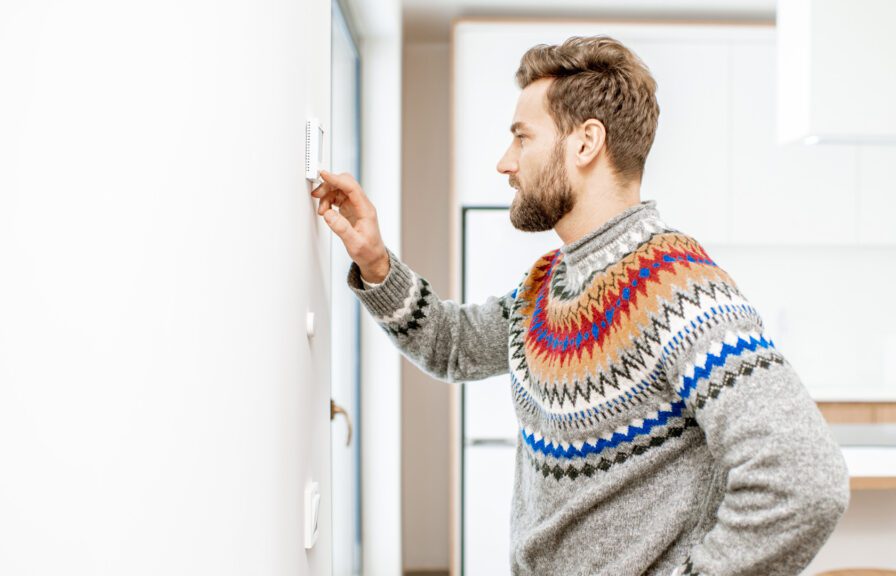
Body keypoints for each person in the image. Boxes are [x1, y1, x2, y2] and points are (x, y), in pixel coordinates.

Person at [312, 35, 849, 576]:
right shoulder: (548, 282)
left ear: (586, 143)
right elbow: (453, 346)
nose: (505, 163)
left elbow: (803, 481)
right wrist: (377, 262)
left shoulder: (678, 288)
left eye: (522, 138)